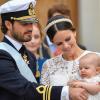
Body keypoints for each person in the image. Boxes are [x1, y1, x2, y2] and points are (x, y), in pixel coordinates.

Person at [0, 0, 81, 100]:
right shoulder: (2, 54)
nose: (30, 28)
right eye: (24, 23)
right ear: (8, 24)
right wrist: (66, 91)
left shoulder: (29, 55)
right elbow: (24, 89)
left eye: (31, 22)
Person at [40, 15, 100, 99]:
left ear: (74, 32)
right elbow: (45, 96)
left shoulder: (97, 58)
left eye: (68, 39)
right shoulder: (48, 65)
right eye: (59, 43)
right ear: (53, 43)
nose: (66, 46)